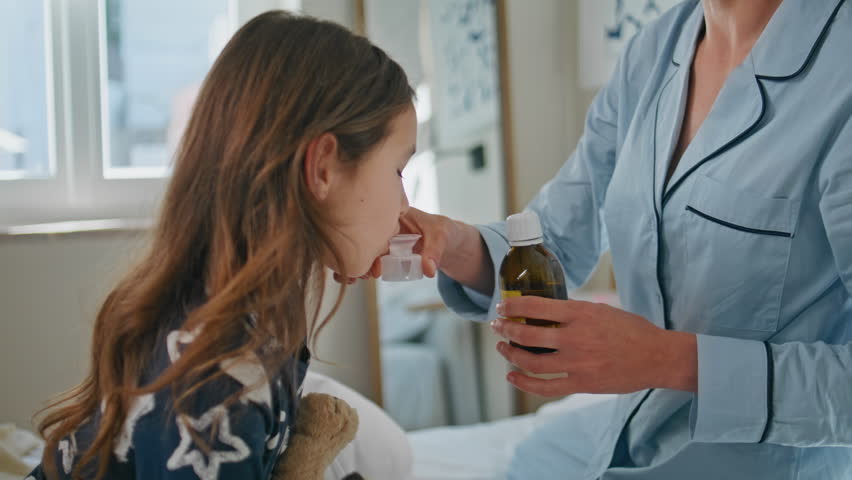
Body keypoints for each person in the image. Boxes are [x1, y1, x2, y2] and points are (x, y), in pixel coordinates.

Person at [389, 0, 852, 477]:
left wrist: (669, 360)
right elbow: (554, 239)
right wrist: (452, 244)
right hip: (635, 426)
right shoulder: (653, 51)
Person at [29, 11, 415, 480]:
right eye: (398, 170)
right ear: (323, 168)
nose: (405, 205)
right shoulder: (220, 375)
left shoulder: (250, 322)